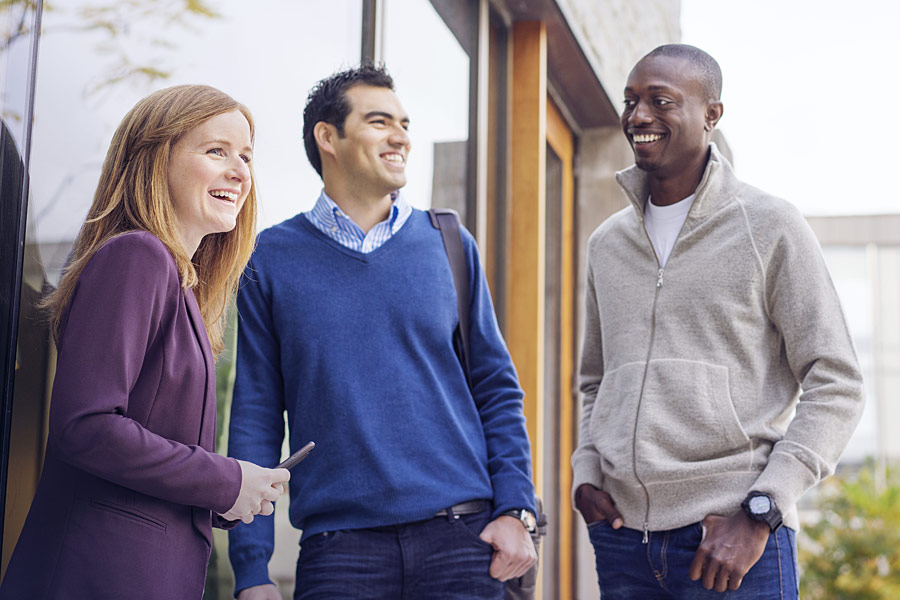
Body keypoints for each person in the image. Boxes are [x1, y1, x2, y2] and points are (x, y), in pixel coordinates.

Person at [227, 64, 537, 600]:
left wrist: (516, 509)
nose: (401, 138)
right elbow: (256, 411)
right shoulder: (269, 259)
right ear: (329, 137)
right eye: (379, 122)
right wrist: (252, 567)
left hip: (462, 540)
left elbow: (496, 388)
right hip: (338, 554)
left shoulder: (448, 242)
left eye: (405, 124)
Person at [572, 44, 865, 599]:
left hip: (729, 541)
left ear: (711, 114)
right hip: (623, 543)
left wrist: (762, 511)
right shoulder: (607, 244)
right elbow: (595, 379)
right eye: (631, 101)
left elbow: (838, 382)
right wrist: (587, 473)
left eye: (661, 101)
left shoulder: (768, 226)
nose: (638, 117)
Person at [0, 85, 289, 599]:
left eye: (245, 156)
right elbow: (86, 427)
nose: (240, 171)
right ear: (157, 160)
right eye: (216, 151)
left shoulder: (182, 287)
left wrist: (230, 494)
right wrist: (225, 479)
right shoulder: (138, 256)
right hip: (100, 576)